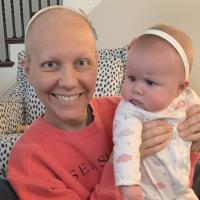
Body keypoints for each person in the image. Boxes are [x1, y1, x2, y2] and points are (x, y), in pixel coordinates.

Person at [1, 5, 200, 200]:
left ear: (96, 63)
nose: (69, 82)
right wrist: (120, 166)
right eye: (50, 64)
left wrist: (190, 145)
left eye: (81, 63)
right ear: (27, 71)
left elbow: (176, 182)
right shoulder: (28, 160)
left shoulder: (130, 108)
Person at [113, 24, 200, 200]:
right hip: (147, 193)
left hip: (182, 191)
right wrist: (128, 186)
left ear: (179, 88)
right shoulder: (130, 111)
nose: (137, 89)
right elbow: (125, 148)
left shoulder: (187, 98)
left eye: (150, 82)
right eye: (131, 77)